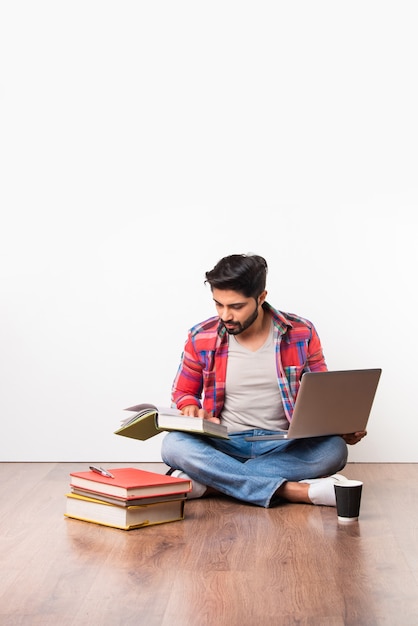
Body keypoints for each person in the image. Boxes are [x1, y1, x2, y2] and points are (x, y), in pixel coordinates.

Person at [161, 253, 366, 508]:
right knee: (173, 445)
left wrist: (341, 424)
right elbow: (183, 392)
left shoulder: (302, 332)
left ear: (261, 298)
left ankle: (212, 483)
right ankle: (295, 491)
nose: (225, 315)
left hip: (283, 444)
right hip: (224, 441)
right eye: (218, 304)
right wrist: (188, 405)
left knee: (334, 450)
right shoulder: (200, 336)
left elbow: (323, 395)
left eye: (236, 306)